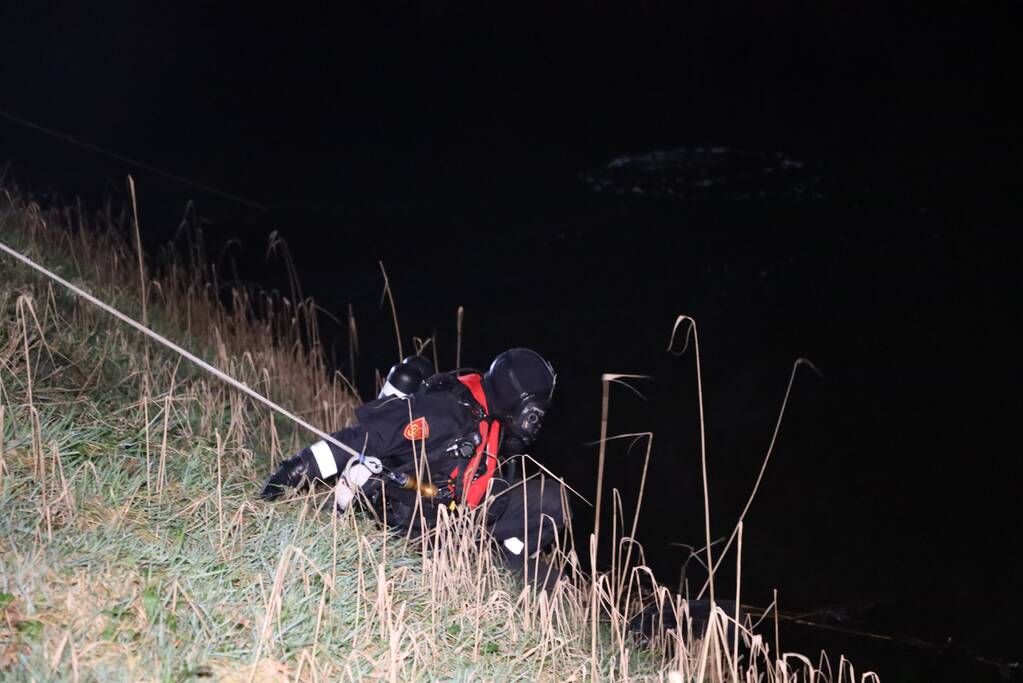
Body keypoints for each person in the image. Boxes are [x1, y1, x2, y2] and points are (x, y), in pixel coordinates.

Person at [260, 348, 567, 589]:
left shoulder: (493, 422)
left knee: (553, 503)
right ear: (516, 398)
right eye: (534, 411)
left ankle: (499, 558)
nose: (535, 421)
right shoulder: (446, 412)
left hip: (464, 524)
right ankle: (483, 567)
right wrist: (297, 469)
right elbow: (366, 438)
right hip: (419, 525)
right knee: (543, 583)